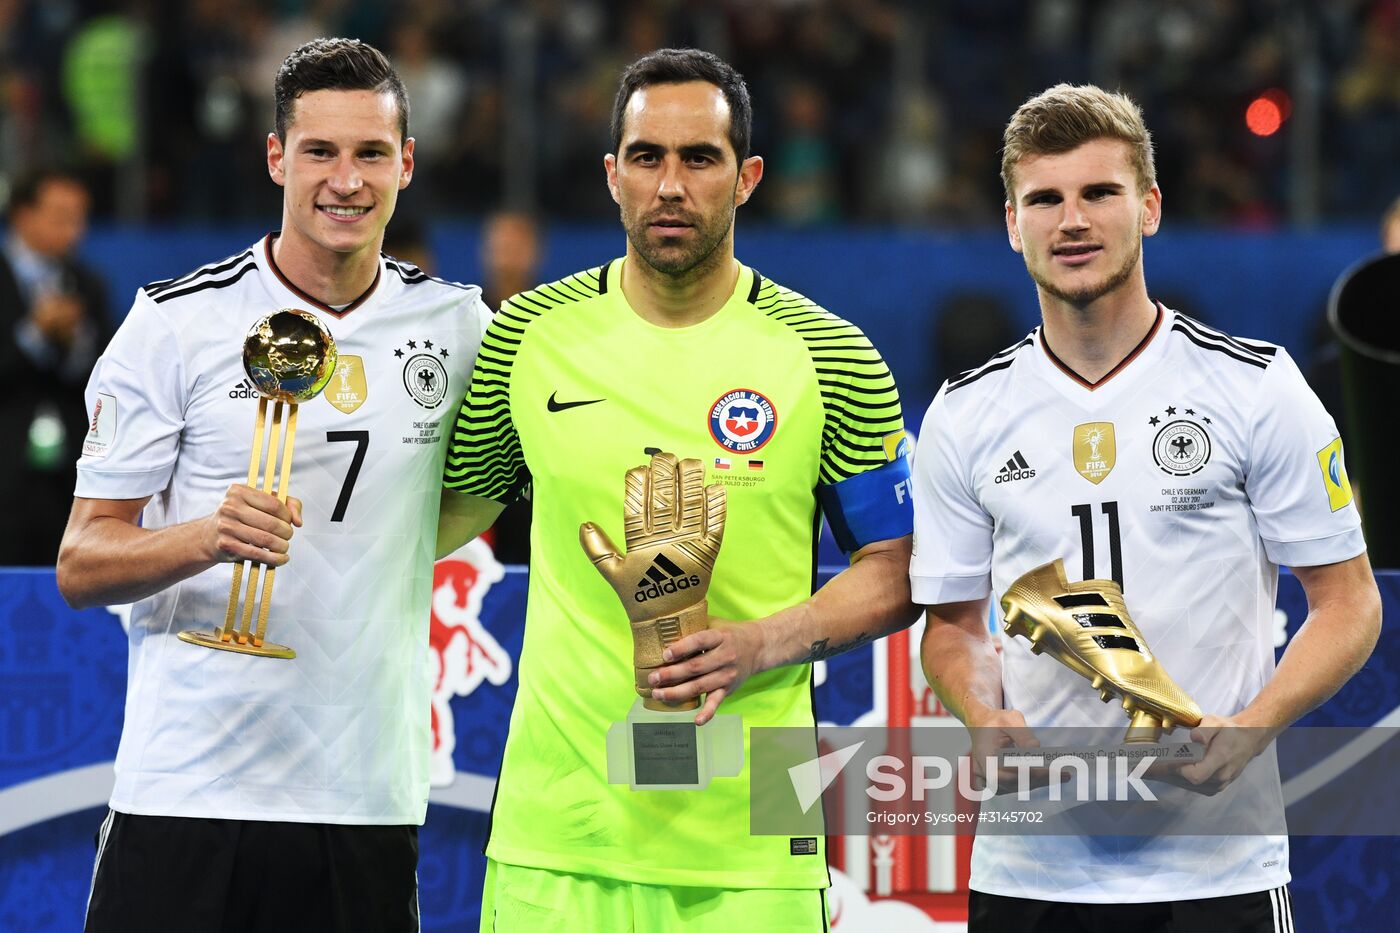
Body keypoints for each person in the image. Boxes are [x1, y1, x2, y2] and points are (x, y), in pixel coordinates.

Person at [438, 48, 918, 931]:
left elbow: (898, 567)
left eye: (700, 158)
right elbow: (438, 521)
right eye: (647, 156)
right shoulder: (526, 337)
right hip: (559, 836)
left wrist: (762, 642)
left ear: (748, 177)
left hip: (758, 841)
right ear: (611, 174)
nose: (670, 185)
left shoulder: (831, 354)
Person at [911, 83, 1381, 931]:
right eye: (1044, 200)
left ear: (1150, 207)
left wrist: (1252, 727)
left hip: (1218, 869)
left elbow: (1351, 603)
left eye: (1100, 192)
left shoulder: (1256, 388)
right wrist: (982, 712)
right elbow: (952, 627)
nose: (1072, 221)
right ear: (1012, 223)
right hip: (1030, 872)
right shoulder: (964, 412)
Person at [57, 38, 491, 933]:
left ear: (407, 163)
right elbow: (81, 562)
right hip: (186, 789)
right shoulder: (176, 321)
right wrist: (205, 535)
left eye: (371, 152)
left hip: (363, 793)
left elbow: (484, 491)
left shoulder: (459, 328)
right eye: (319, 151)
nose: (346, 180)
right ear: (275, 157)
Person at [0, 168, 111, 565]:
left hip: (69, 477)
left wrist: (75, 343)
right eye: (62, 216)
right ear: (22, 215)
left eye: (81, 218)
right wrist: (35, 334)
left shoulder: (89, 285)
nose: (75, 230)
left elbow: (104, 382)